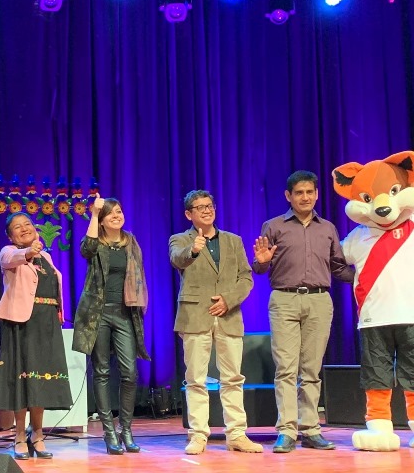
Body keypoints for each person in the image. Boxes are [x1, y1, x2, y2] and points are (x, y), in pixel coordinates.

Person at [252, 170, 354, 453]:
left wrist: (368, 277)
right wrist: (262, 261)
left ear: (317, 194)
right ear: (289, 196)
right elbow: (260, 267)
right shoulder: (274, 226)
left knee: (311, 370)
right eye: (299, 193)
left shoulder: (328, 228)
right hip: (284, 300)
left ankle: (310, 429)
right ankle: (287, 431)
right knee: (286, 369)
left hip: (319, 301)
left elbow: (338, 268)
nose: (305, 197)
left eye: (310, 192)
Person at [169, 190, 263, 455]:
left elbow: (246, 277)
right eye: (200, 207)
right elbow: (177, 258)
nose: (206, 210)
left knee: (233, 378)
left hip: (228, 315)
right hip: (195, 315)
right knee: (196, 379)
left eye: (209, 205)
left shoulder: (233, 240)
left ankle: (237, 434)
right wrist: (193, 250)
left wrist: (228, 300)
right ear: (189, 214)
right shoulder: (180, 239)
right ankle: (198, 435)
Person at [0, 212, 72, 460]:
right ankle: (19, 436)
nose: (24, 228)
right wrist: (28, 252)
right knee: (23, 381)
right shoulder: (8, 253)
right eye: (18, 227)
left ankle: (37, 434)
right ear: (10, 236)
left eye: (27, 224)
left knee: (42, 381)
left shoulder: (46, 256)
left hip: (47, 323)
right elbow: (14, 259)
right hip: (22, 323)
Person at [73, 194, 149, 455]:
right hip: (99, 313)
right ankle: (108, 432)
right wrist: (94, 214)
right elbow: (86, 249)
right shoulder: (97, 243)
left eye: (119, 211)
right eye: (110, 213)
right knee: (102, 371)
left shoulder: (130, 242)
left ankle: (125, 429)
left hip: (125, 312)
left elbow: (138, 277)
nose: (117, 216)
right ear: (103, 221)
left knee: (130, 372)